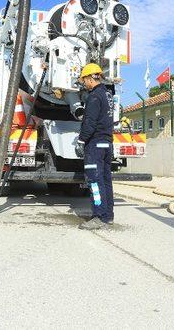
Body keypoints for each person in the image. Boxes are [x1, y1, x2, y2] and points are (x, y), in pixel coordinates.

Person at [75, 63, 114, 230]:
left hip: (95, 145)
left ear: (91, 78)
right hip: (106, 143)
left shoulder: (94, 97)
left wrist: (81, 140)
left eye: (84, 80)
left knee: (94, 182)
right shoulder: (107, 94)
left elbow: (90, 122)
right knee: (105, 179)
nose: (84, 84)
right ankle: (108, 215)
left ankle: (99, 216)